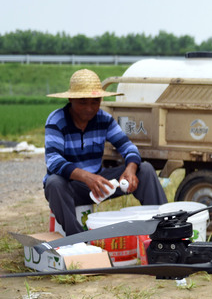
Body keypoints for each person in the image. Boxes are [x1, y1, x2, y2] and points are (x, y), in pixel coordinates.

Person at [44, 69, 167, 235]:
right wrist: (86, 177)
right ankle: (78, 239)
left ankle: (163, 229)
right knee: (54, 183)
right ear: (71, 99)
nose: (89, 108)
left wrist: (130, 170)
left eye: (95, 102)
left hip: (100, 184)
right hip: (72, 186)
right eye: (82, 102)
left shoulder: (104, 120)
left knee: (145, 170)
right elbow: (53, 161)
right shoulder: (56, 120)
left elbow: (128, 147)